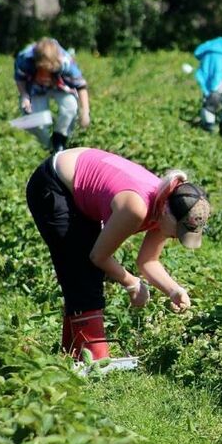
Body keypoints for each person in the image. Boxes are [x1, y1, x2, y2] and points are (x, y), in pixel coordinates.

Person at [26, 147, 210, 362]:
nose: (177, 238)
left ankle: (72, 355)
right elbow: (98, 256)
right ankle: (93, 359)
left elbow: (148, 261)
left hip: (80, 185)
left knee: (82, 274)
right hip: (54, 184)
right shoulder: (136, 208)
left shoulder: (166, 204)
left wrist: (173, 290)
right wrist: (131, 283)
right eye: (179, 231)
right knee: (83, 271)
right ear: (167, 214)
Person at [14, 38, 91, 152]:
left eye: (48, 71)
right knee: (36, 120)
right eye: (42, 70)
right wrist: (25, 95)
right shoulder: (24, 59)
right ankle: (49, 148)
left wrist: (85, 112)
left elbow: (81, 86)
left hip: (59, 84)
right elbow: (20, 79)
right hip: (36, 87)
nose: (45, 75)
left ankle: (60, 139)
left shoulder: (66, 63)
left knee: (70, 108)